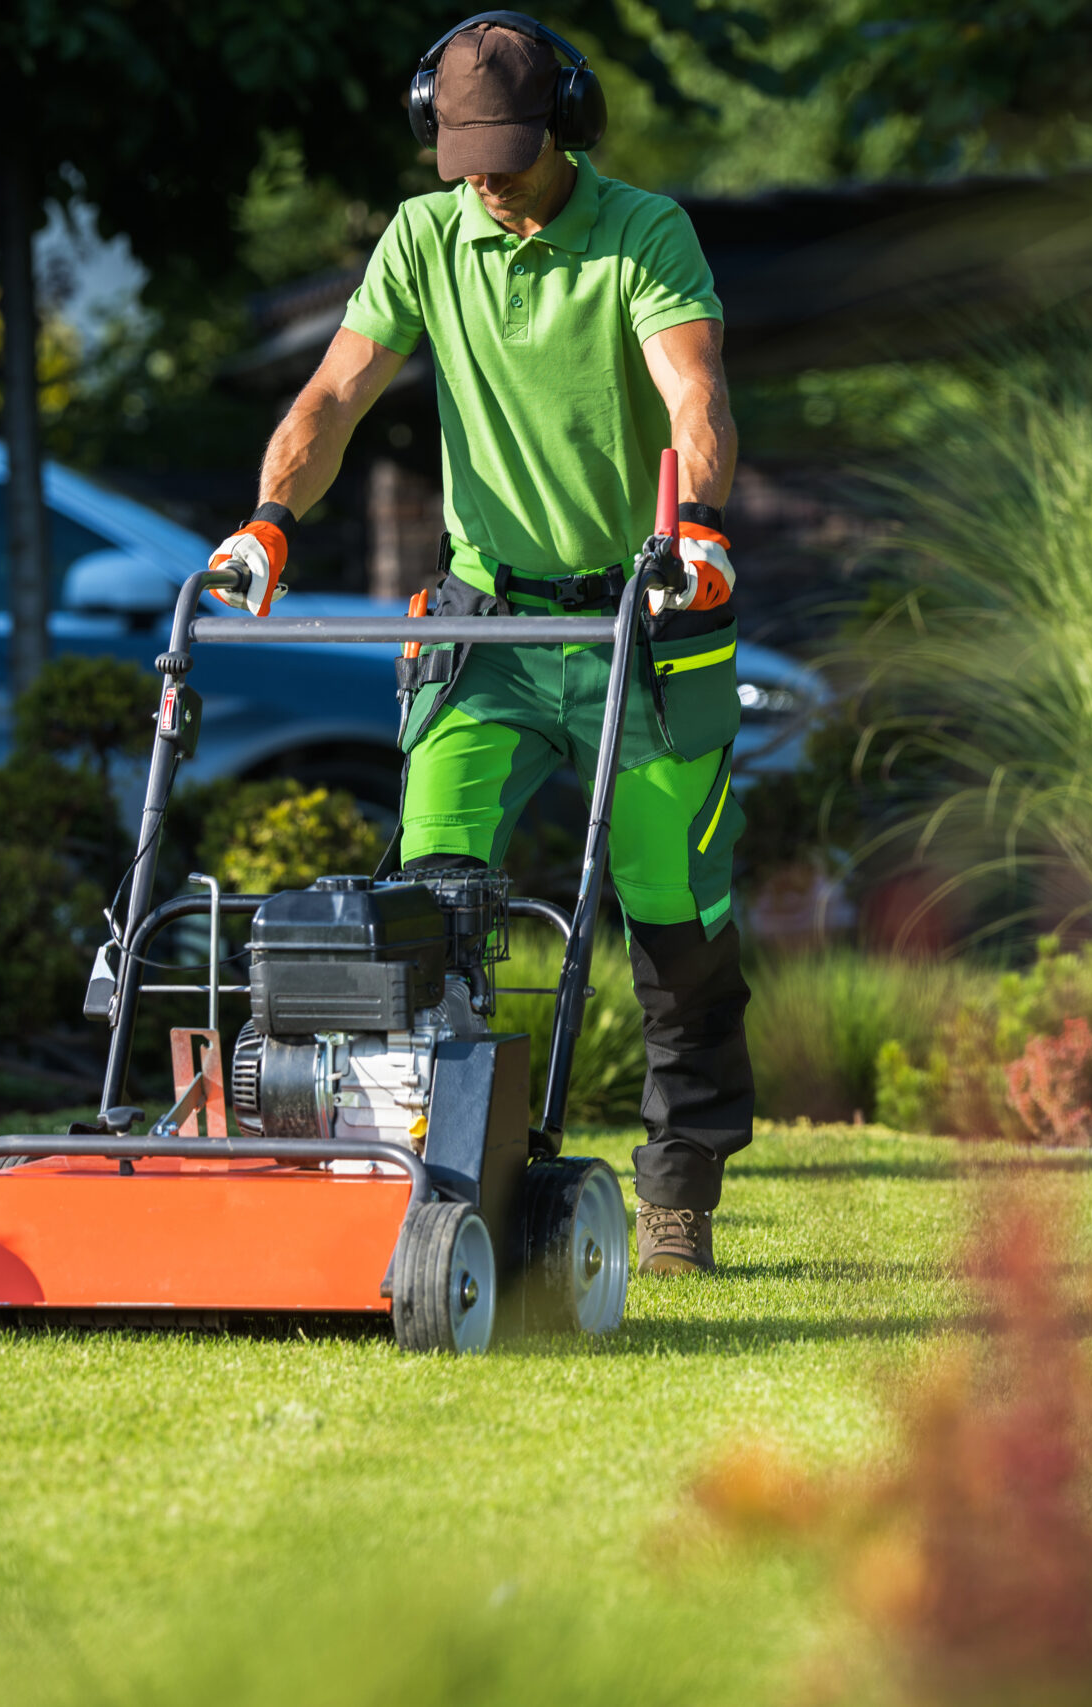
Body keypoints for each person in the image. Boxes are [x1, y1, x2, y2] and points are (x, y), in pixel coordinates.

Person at [206, 12, 749, 1276]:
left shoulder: (642, 232)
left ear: (568, 122)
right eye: (466, 156)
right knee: (427, 904)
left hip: (645, 614)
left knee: (676, 921)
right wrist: (271, 520)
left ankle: (676, 1196)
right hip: (485, 622)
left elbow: (694, 389)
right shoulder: (423, 235)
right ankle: (435, 1173)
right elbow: (334, 393)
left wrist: (705, 526)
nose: (490, 180)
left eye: (509, 151)